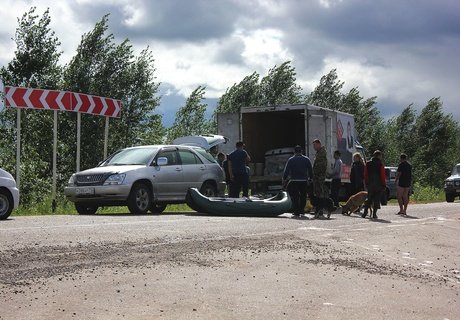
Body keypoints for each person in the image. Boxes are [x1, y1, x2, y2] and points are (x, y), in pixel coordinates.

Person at [282, 145, 313, 217]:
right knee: (303, 196)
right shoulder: (306, 159)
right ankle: (302, 210)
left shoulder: (291, 160)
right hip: (304, 181)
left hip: (294, 181)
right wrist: (311, 178)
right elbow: (310, 170)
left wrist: (284, 179)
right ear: (301, 151)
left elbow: (286, 171)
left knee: (295, 196)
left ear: (294, 152)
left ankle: (296, 211)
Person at [312, 139, 335, 218]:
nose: (314, 147)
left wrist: (315, 172)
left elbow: (321, 165)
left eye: (315, 145)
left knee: (320, 195)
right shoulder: (319, 153)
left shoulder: (321, 153)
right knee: (318, 194)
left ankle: (320, 210)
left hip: (320, 177)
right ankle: (319, 210)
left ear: (319, 144)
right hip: (317, 177)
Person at [362, 150, 386, 219]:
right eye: (380, 156)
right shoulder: (380, 164)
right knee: (377, 199)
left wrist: (366, 182)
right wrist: (384, 184)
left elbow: (365, 174)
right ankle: (374, 214)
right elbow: (382, 175)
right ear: (378, 156)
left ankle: (365, 212)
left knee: (369, 198)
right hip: (378, 184)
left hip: (370, 184)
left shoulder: (368, 163)